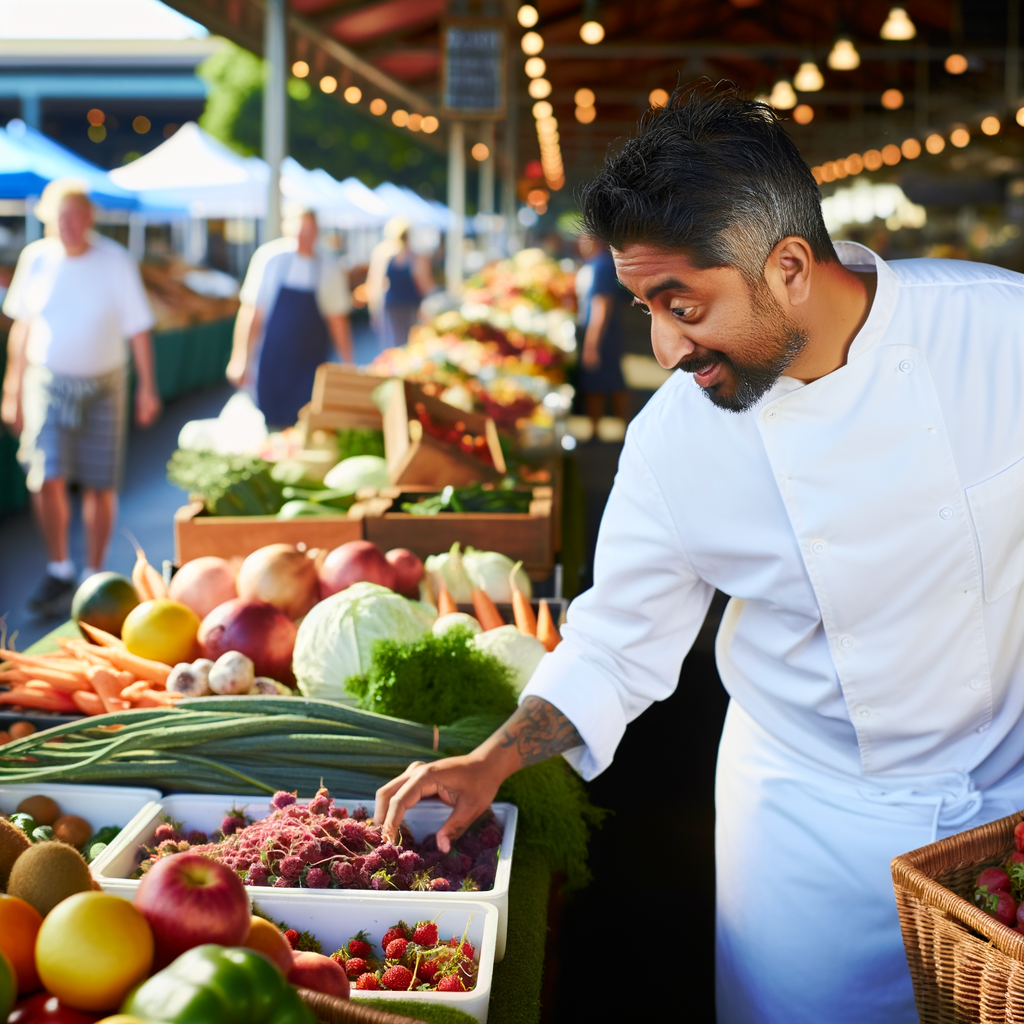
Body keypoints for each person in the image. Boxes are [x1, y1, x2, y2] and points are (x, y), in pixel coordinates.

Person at [374, 83, 1024, 1023]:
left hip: (1004, 807)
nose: (664, 343)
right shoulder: (677, 438)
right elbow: (615, 641)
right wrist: (493, 760)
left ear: (792, 265)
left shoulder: (999, 332)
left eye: (683, 303)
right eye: (643, 303)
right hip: (808, 833)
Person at [0, 179, 160, 616]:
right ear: (49, 221)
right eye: (60, 218)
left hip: (105, 385)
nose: (68, 225)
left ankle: (92, 572)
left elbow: (138, 329)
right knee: (45, 472)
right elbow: (23, 328)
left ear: (89, 219)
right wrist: (12, 389)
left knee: (99, 482)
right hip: (47, 384)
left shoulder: (115, 262)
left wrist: (148, 387)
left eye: (76, 216)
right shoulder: (37, 260)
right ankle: (59, 566)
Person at [227, 205, 352, 427]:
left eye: (310, 230)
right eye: (300, 229)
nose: (304, 236)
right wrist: (240, 357)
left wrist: (348, 365)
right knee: (270, 422)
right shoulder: (270, 259)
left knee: (307, 421)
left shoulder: (328, 267)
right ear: (287, 227)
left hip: (311, 364)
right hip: (271, 361)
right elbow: (251, 313)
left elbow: (337, 320)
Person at [576, 234, 630, 432]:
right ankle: (605, 429)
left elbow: (601, 307)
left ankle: (616, 429)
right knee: (604, 382)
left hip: (603, 335)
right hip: (604, 333)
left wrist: (591, 345)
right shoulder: (597, 264)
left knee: (604, 382)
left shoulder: (602, 266)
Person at [366, 219, 434, 350]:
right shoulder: (413, 256)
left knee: (398, 346)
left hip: (397, 307)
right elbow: (426, 286)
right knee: (408, 346)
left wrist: (374, 311)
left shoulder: (384, 253)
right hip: (406, 308)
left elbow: (375, 286)